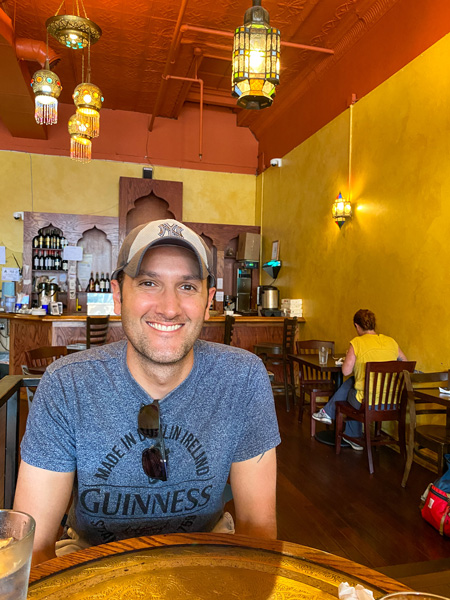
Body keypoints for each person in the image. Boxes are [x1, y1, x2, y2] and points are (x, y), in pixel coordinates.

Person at [14, 219, 280, 566]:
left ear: (208, 301)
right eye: (149, 283)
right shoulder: (66, 385)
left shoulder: (243, 378)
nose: (169, 308)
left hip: (207, 552)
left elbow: (257, 528)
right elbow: (34, 546)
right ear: (118, 295)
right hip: (91, 558)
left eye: (187, 286)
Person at [312, 309, 408, 450]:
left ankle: (349, 432)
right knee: (353, 383)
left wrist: (352, 358)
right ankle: (342, 426)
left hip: (367, 403)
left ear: (357, 326)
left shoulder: (357, 342)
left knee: (351, 389)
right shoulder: (391, 342)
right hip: (392, 403)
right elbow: (405, 363)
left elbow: (345, 370)